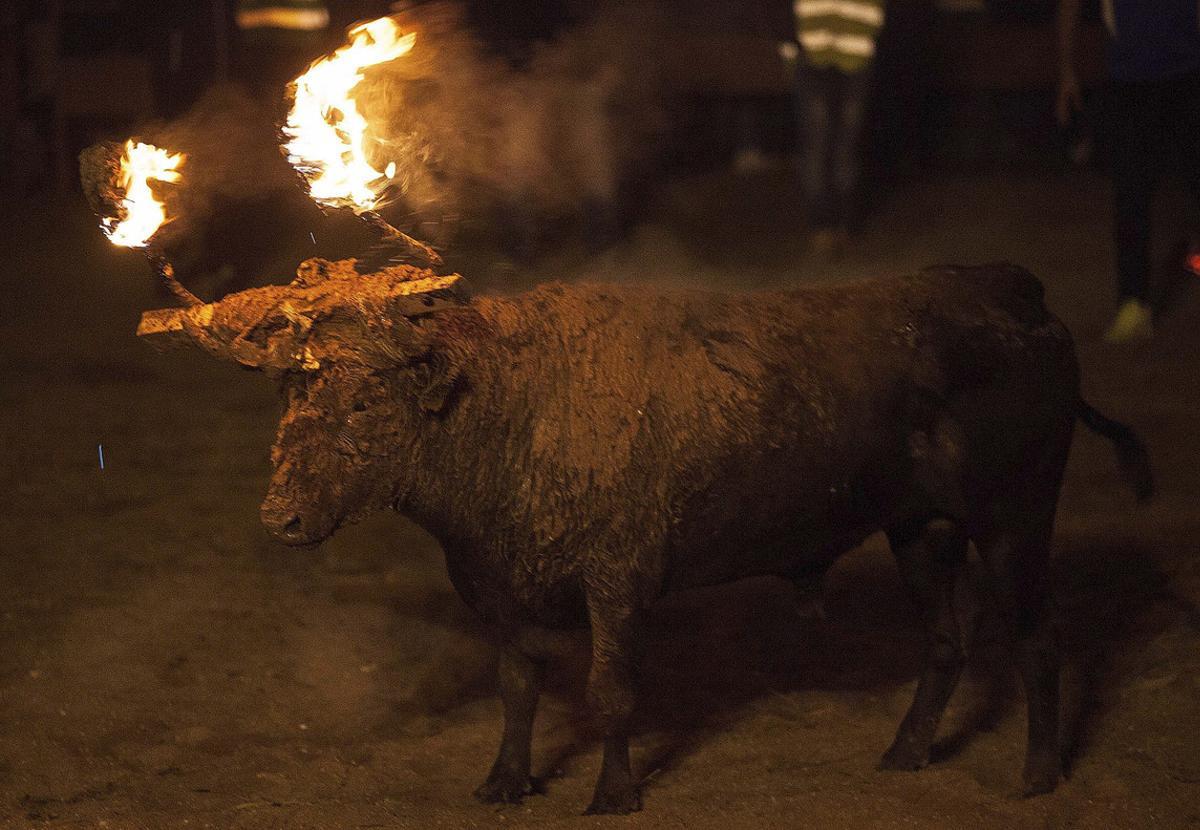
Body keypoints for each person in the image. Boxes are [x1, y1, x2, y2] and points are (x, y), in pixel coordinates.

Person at [1058, 0, 1200, 343]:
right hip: (1131, 80)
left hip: (1190, 73)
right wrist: (1066, 73)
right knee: (1131, 189)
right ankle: (1132, 303)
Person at [793, 0, 885, 256]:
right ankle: (821, 226)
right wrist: (791, 54)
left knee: (846, 146)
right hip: (812, 58)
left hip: (856, 58)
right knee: (817, 145)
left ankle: (844, 224)